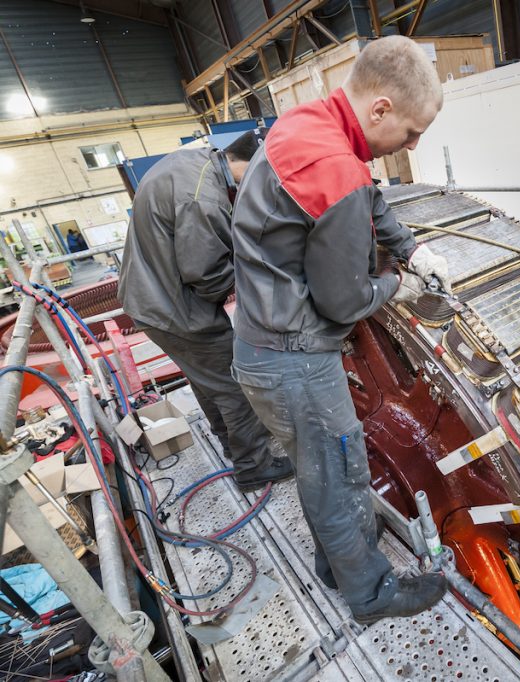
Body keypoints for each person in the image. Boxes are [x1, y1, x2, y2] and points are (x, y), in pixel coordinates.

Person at [229, 36, 453, 625]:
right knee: (340, 472)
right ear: (379, 108)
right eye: (410, 133)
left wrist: (412, 248)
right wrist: (397, 285)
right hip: (294, 358)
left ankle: (339, 560)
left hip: (260, 342)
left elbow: (366, 193)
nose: (410, 145)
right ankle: (372, 595)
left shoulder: (308, 124)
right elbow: (345, 301)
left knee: (317, 467)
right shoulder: (336, 167)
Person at [118, 130, 294, 492]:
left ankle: (232, 443)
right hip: (175, 309)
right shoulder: (203, 198)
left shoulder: (195, 163)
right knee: (236, 383)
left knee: (205, 379)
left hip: (152, 300)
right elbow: (209, 278)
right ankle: (253, 467)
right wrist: (260, 273)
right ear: (250, 164)